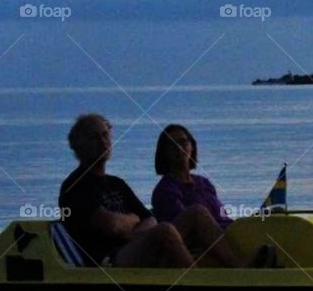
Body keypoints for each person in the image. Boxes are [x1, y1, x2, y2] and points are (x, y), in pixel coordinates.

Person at [59, 114, 247, 268]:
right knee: (164, 231)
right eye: (94, 137)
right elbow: (110, 225)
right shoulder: (76, 185)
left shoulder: (117, 183)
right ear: (77, 145)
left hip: (137, 245)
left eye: (105, 135)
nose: (102, 142)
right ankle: (198, 284)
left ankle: (242, 270)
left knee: (197, 212)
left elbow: (150, 219)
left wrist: (133, 229)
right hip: (109, 259)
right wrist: (133, 221)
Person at [151, 124, 275, 268]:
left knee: (263, 219)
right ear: (164, 153)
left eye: (183, 142)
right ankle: (237, 265)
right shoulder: (166, 188)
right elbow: (182, 228)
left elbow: (222, 217)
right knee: (198, 212)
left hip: (221, 235)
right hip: (189, 245)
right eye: (172, 145)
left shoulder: (203, 183)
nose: (179, 148)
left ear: (192, 146)